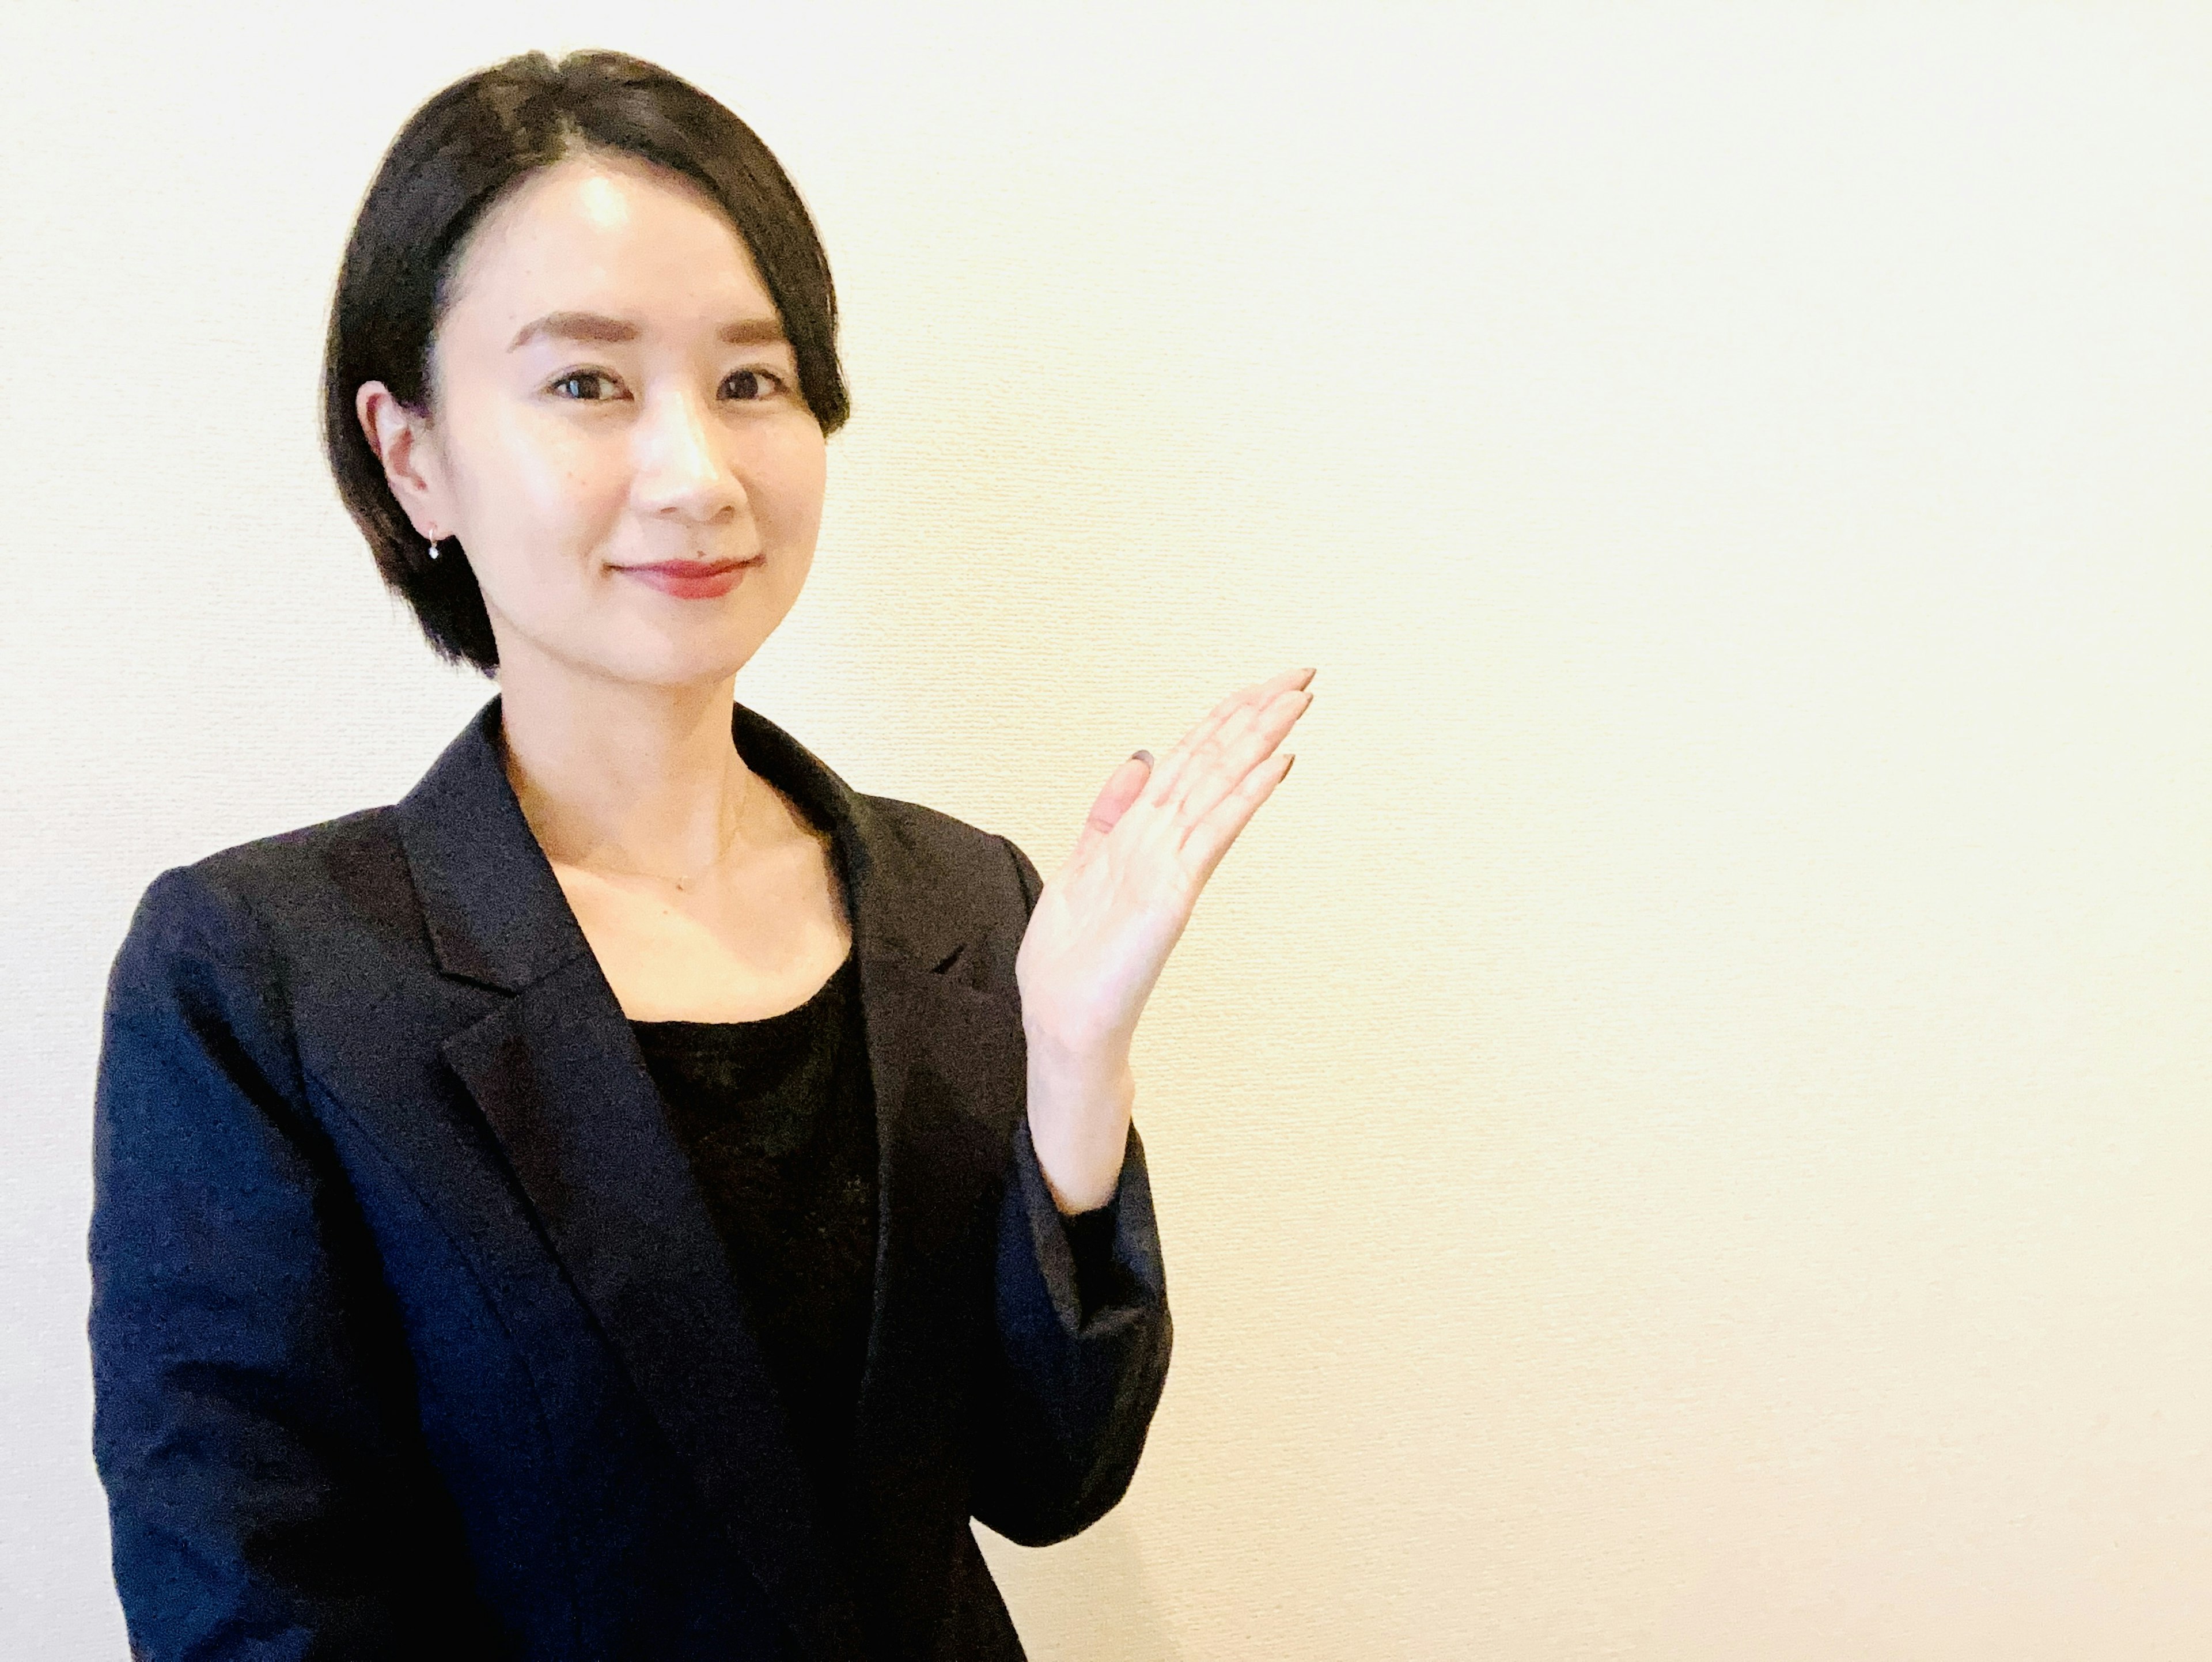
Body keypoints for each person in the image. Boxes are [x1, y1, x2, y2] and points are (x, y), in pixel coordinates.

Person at [87, 46, 1314, 1662]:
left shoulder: (969, 906)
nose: (699, 472)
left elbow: (1045, 1478)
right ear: (414, 453)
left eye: (753, 380)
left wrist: (1075, 1064)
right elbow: (255, 1607)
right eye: (588, 383)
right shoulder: (265, 976)